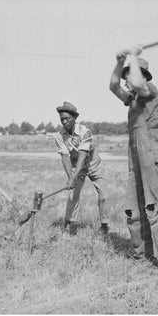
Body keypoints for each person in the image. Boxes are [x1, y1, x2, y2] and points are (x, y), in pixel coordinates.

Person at [109, 46, 158, 268]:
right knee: (134, 207)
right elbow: (112, 86)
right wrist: (120, 61)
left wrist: (132, 58)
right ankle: (143, 255)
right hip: (135, 154)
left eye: (127, 77)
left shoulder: (149, 89)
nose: (125, 82)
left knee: (156, 205)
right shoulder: (131, 99)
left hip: (150, 150)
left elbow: (139, 84)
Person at [54, 101, 109, 235]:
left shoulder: (85, 131)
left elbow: (83, 156)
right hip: (76, 166)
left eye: (67, 118)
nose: (65, 122)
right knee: (73, 195)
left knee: (103, 195)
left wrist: (73, 177)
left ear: (74, 118)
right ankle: (69, 225)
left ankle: (104, 224)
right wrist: (70, 178)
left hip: (92, 164)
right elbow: (65, 157)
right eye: (62, 119)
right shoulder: (59, 136)